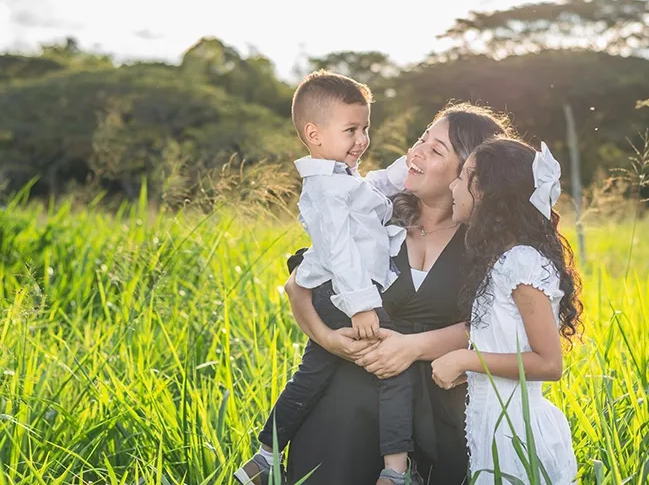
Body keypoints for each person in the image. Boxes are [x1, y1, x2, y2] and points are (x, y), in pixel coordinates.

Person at [282, 102, 511, 484]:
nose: (415, 153)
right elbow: (298, 289)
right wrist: (329, 340)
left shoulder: (487, 244)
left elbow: (496, 327)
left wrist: (413, 347)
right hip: (341, 411)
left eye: (436, 150)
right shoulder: (373, 213)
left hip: (435, 417)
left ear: (470, 172)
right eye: (422, 138)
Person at [234, 69, 415, 485]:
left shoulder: (341, 178)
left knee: (312, 373)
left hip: (330, 295)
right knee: (394, 369)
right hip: (344, 295)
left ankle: (265, 457)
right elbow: (339, 251)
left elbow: (379, 185)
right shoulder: (327, 190)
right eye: (351, 130)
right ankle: (395, 470)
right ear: (314, 134)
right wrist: (362, 304)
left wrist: (414, 159)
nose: (362, 140)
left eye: (365, 128)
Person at [431, 138, 582, 484]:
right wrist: (473, 371)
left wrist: (466, 359)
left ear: (488, 192)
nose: (453, 186)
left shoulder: (521, 261)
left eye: (464, 176)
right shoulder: (499, 261)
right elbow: (508, 347)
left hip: (519, 436)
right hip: (494, 430)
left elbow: (549, 363)